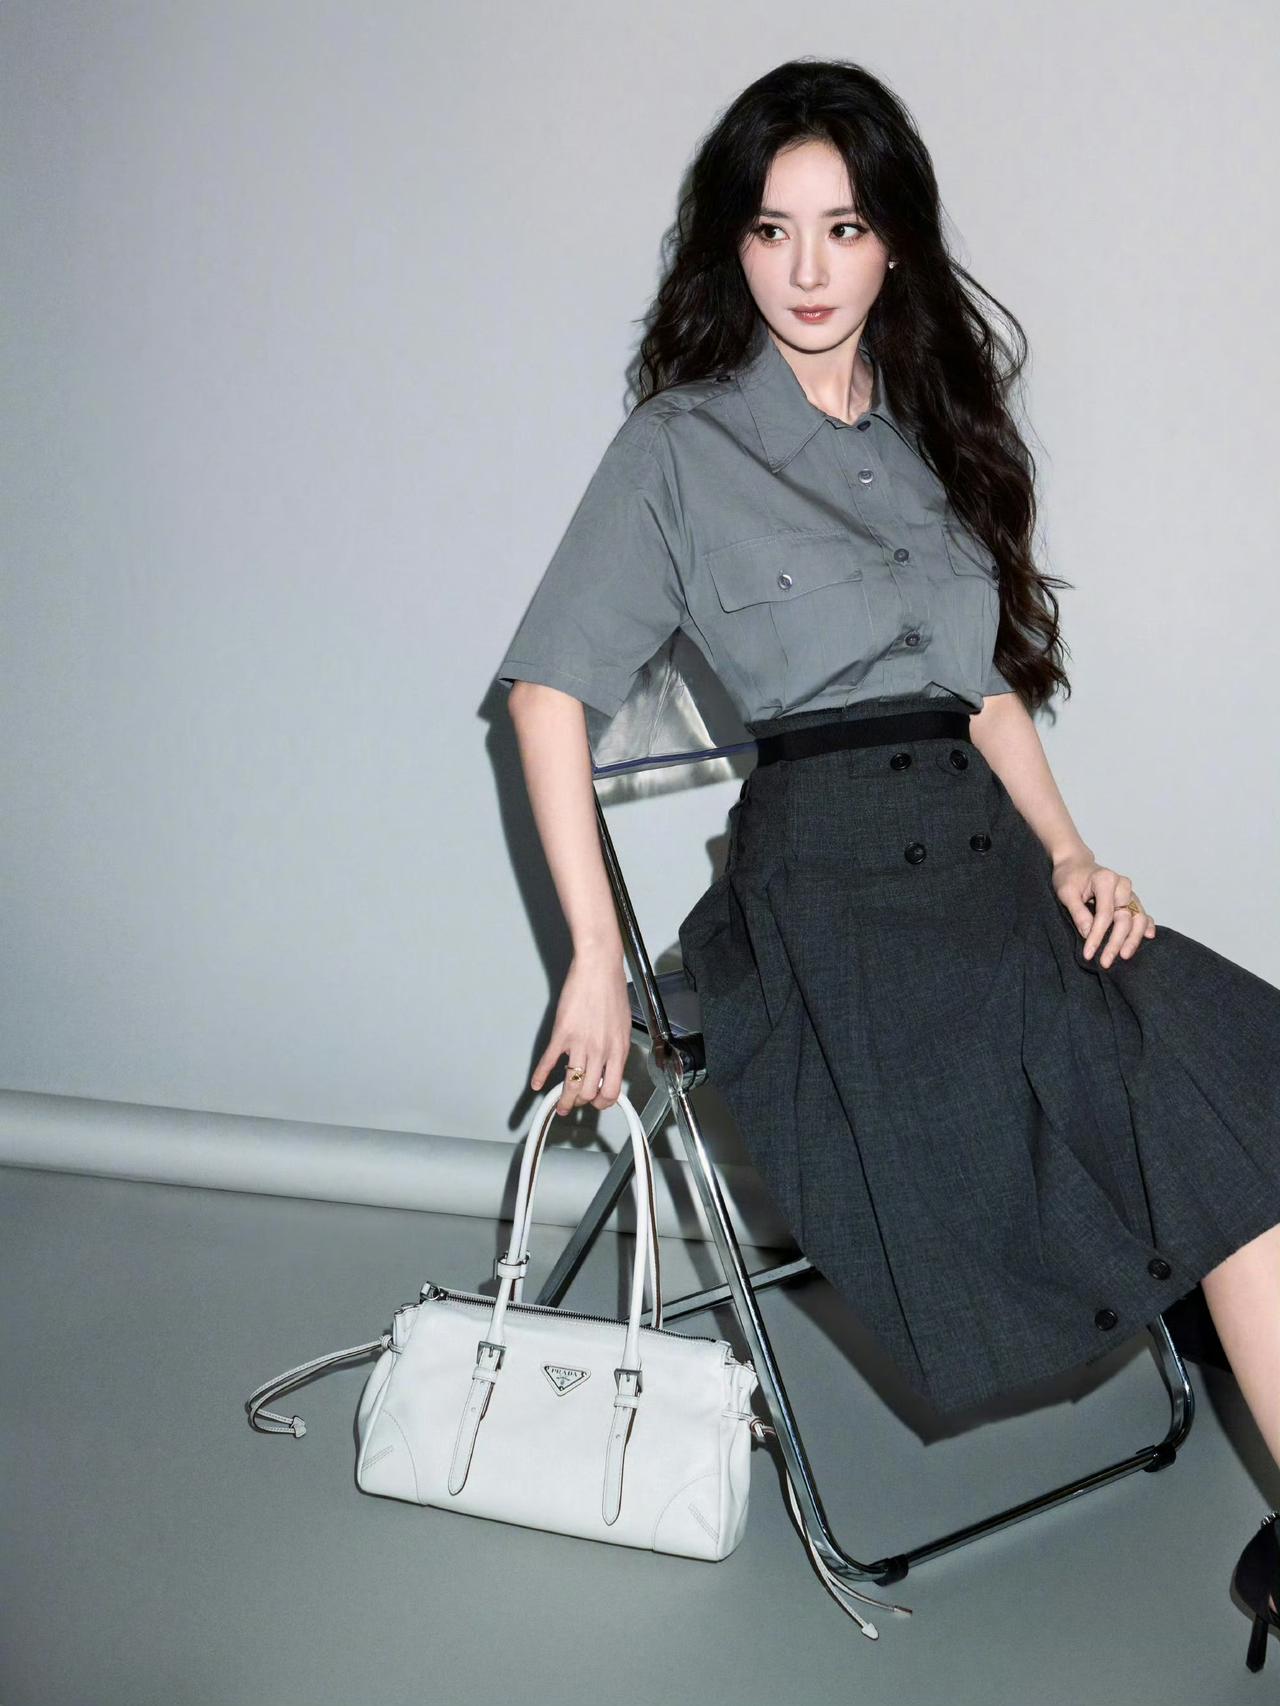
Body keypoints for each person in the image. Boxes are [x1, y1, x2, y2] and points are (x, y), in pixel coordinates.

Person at [492, 58, 1280, 1660]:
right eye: (771, 229)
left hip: (993, 872)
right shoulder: (679, 448)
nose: (805, 267)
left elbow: (981, 691)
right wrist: (594, 952)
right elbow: (546, 691)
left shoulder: (929, 443)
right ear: (730, 244)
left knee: (1225, 1071)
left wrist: (1074, 851)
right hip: (835, 899)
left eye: (842, 228)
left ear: (893, 244)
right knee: (1171, 1112)